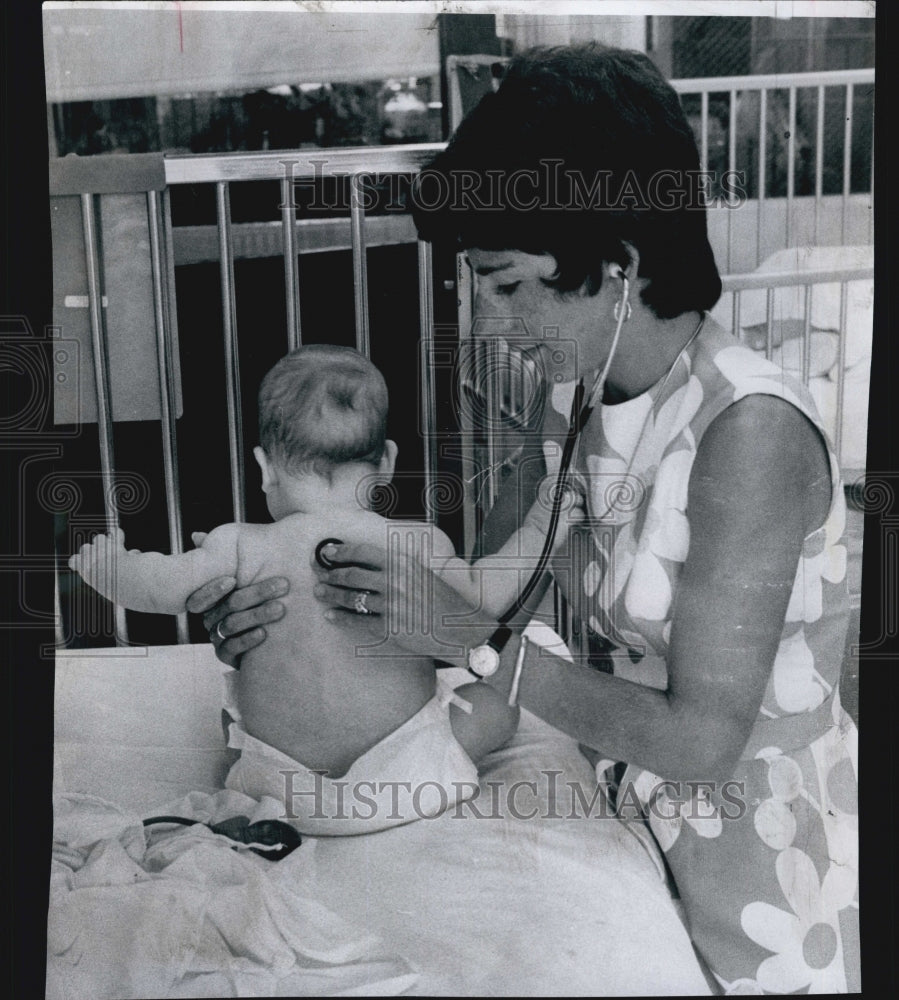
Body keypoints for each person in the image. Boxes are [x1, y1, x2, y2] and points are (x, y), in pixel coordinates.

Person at [189, 45, 859, 993]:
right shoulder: (576, 400)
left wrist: (469, 638)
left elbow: (699, 741)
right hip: (613, 821)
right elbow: (479, 588)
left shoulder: (747, 436)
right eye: (476, 283)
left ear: (619, 266)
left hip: (752, 876)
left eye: (505, 284)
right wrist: (284, 614)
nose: (487, 320)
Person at [71, 344, 584, 834]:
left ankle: (259, 772)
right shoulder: (415, 541)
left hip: (278, 793)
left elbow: (159, 587)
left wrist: (111, 566)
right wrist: (545, 523)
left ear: (264, 467)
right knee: (495, 707)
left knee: (229, 720)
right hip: (406, 783)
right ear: (385, 461)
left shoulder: (240, 545)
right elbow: (485, 598)